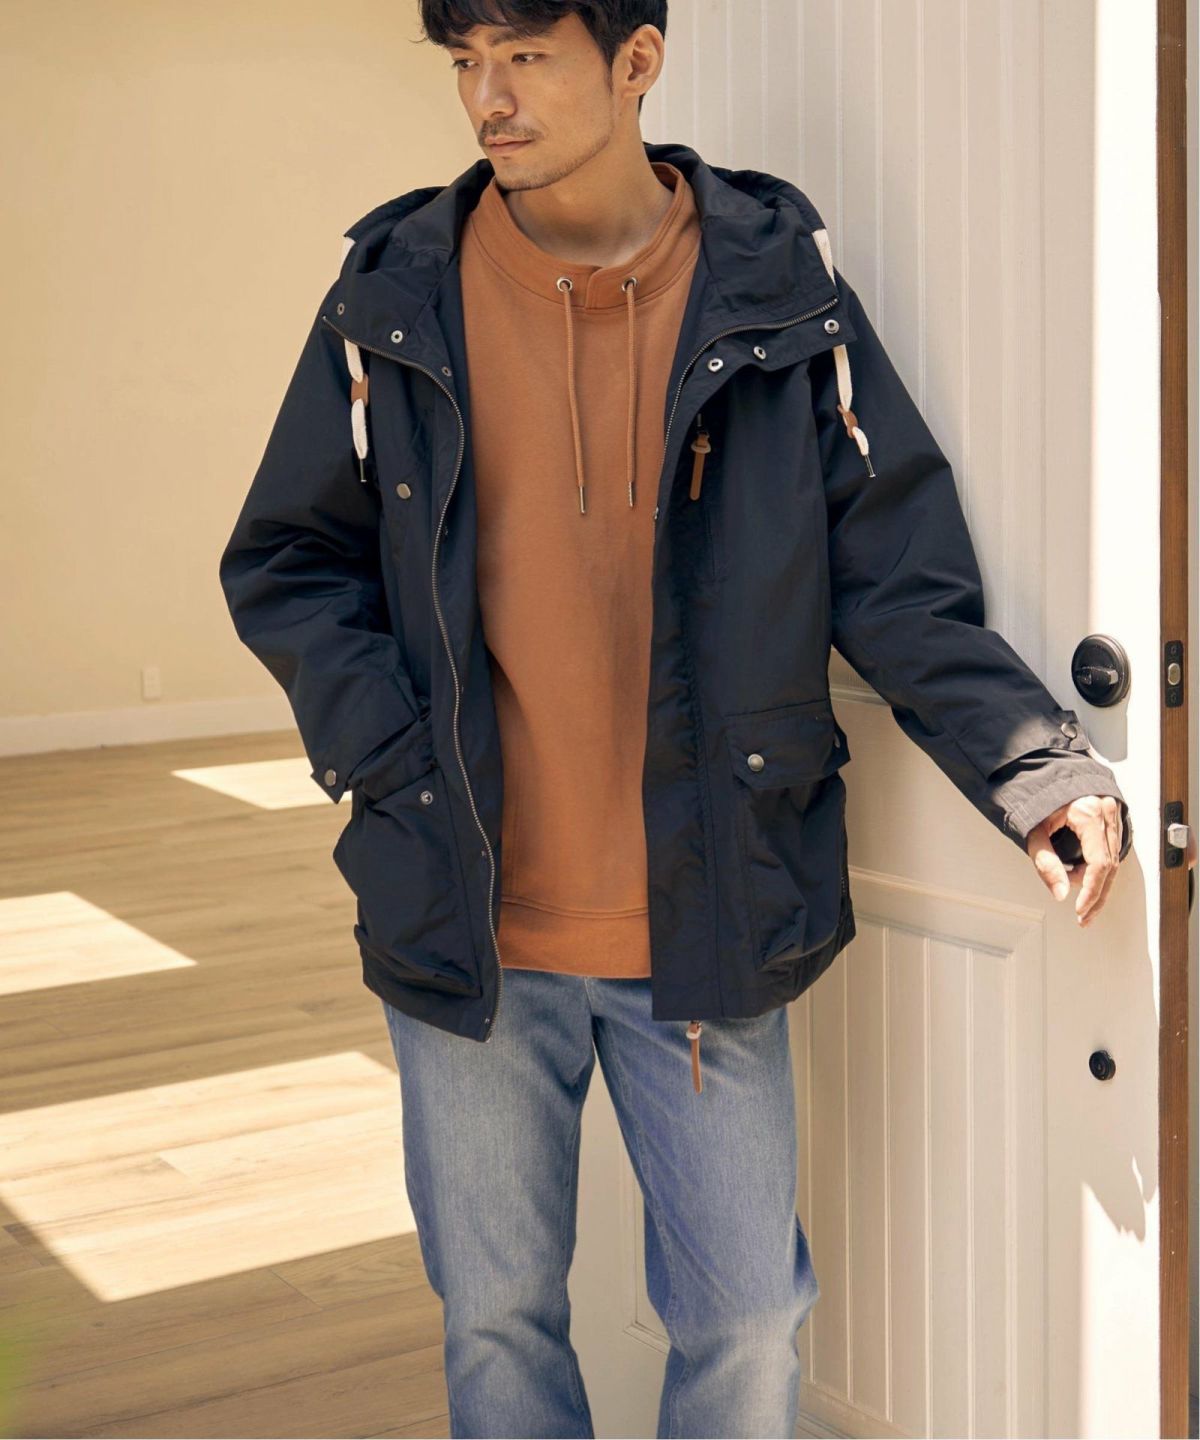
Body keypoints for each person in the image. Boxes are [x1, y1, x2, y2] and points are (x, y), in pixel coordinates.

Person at [218, 3, 1138, 1435]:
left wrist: (1035, 765)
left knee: (751, 1320)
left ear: (635, 61)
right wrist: (394, 757)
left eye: (525, 54)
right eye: (464, 61)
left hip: (704, 910)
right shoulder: (392, 294)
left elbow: (895, 574)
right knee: (497, 1320)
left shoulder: (777, 289)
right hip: (465, 914)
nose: (486, 96)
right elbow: (286, 560)